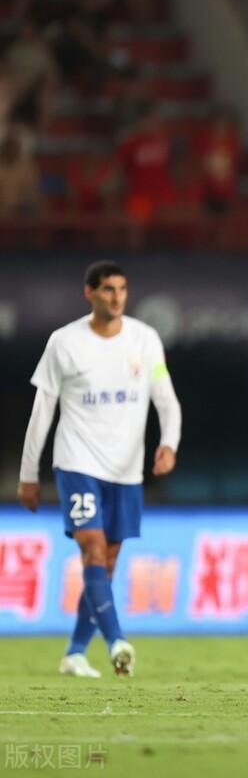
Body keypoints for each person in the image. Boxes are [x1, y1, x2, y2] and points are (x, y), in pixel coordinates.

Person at [18, 260, 181, 678]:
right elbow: (42, 411)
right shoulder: (64, 342)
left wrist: (168, 443)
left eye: (122, 289)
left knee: (106, 563)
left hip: (126, 471)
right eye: (108, 289)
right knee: (91, 547)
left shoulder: (145, 340)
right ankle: (117, 642)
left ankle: (74, 652)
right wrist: (29, 474)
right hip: (77, 462)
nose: (117, 297)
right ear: (89, 293)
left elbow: (166, 400)